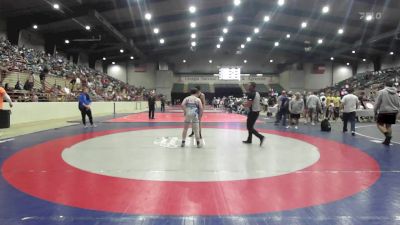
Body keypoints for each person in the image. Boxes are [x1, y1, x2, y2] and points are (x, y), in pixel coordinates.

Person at [374, 81, 400, 145]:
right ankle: (387, 141)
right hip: (393, 111)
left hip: (384, 111)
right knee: (388, 126)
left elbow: (377, 103)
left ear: (385, 85)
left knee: (379, 124)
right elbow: (398, 103)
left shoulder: (382, 92)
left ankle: (387, 135)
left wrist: (375, 111)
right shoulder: (396, 93)